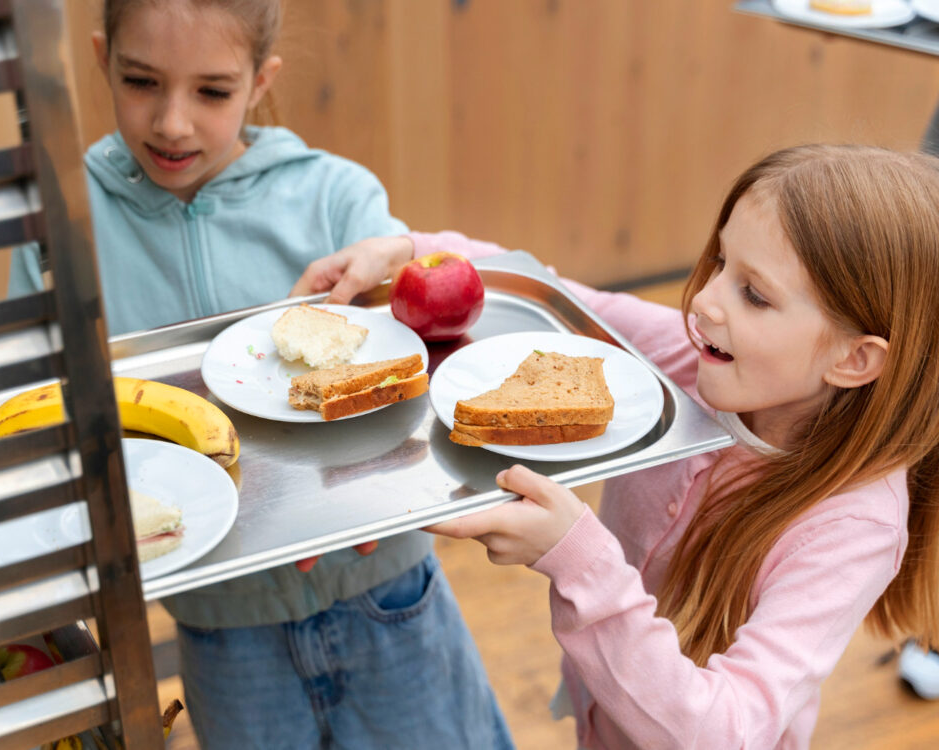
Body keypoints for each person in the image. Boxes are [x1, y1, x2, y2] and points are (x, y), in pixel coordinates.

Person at [9, 1, 513, 748]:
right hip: (221, 631)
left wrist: (385, 481)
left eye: (212, 91)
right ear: (100, 58)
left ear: (259, 80)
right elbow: (36, 427)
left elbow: (413, 385)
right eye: (141, 80)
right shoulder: (59, 235)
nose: (172, 122)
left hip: (388, 597)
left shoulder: (338, 197)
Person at [326, 144, 939, 749]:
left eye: (754, 294)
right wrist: (415, 251)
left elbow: (724, 732)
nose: (703, 300)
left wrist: (577, 559)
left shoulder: (852, 529)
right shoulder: (685, 356)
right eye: (721, 261)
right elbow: (559, 301)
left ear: (854, 358)